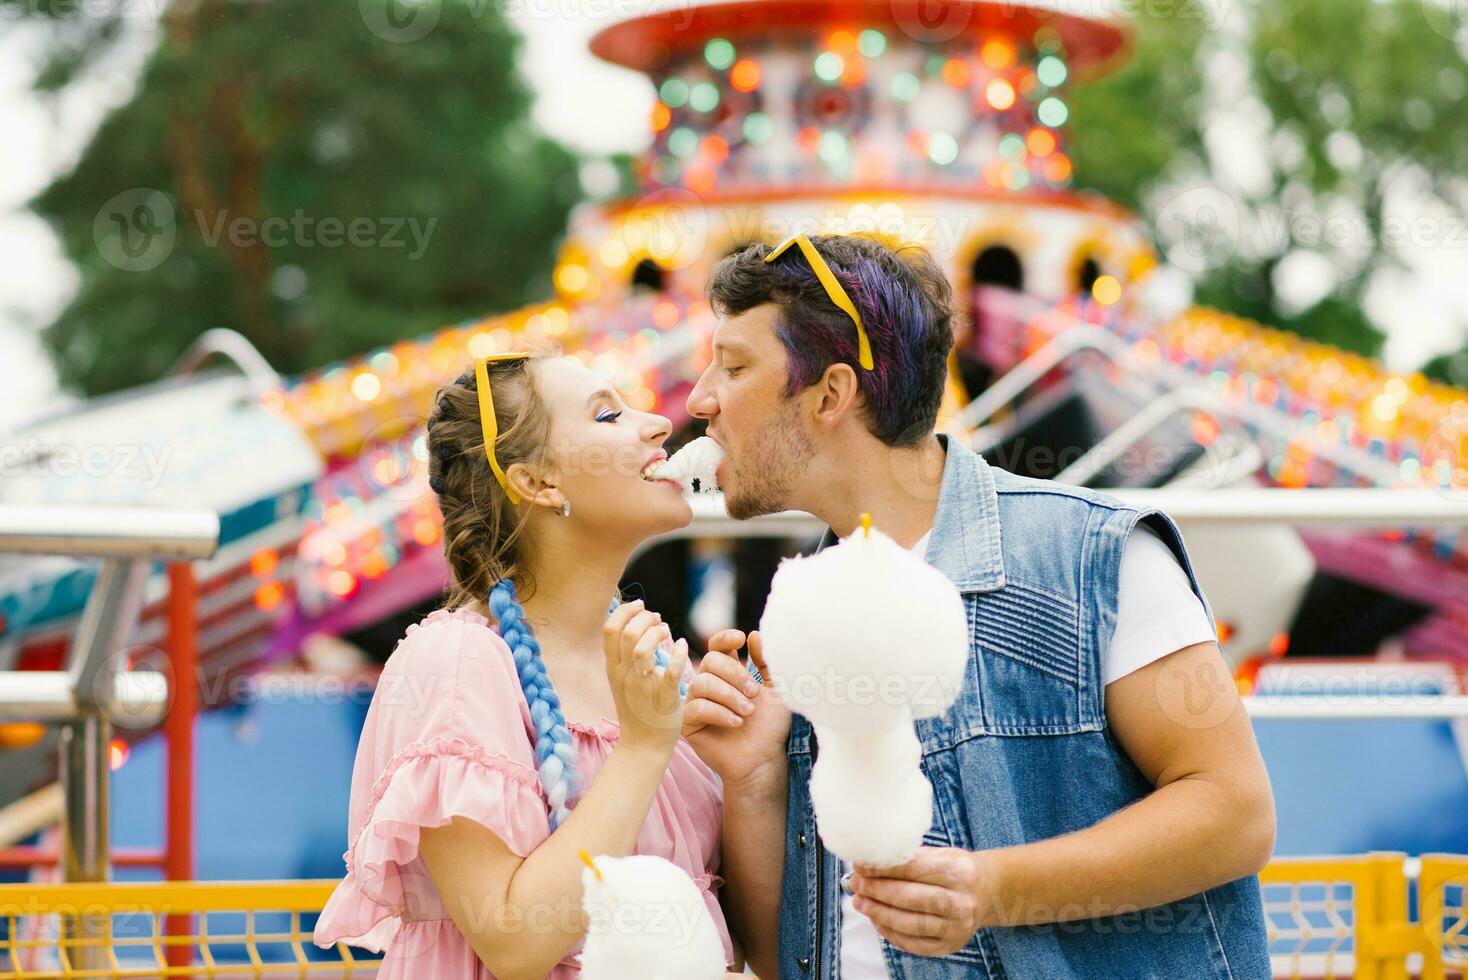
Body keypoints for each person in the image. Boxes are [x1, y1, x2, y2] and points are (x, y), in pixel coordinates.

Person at [681, 234, 1275, 979]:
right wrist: (754, 778)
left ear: (831, 394)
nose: (700, 398)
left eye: (733, 367)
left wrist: (994, 889)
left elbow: (1235, 813)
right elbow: (779, 958)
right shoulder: (802, 614)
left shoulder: (1089, 554)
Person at [314, 348, 744, 977]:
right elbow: (515, 941)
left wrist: (753, 773)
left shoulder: (653, 666)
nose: (656, 423)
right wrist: (645, 747)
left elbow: (746, 939)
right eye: (607, 416)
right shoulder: (458, 661)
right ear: (537, 483)